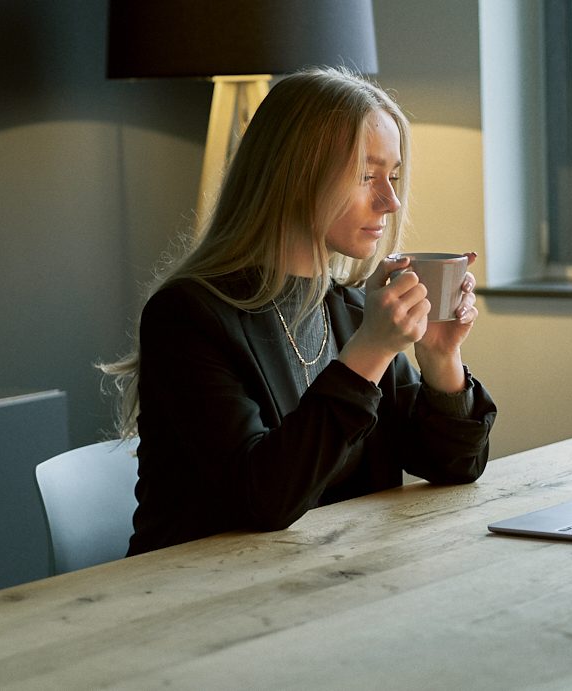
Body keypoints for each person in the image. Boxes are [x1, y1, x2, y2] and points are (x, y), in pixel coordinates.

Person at [101, 66, 497, 557]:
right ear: (293, 174)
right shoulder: (187, 316)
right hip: (198, 599)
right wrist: (370, 353)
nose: (391, 200)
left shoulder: (350, 310)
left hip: (327, 581)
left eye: (392, 176)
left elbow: (455, 465)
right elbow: (263, 501)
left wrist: (440, 359)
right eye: (366, 175)